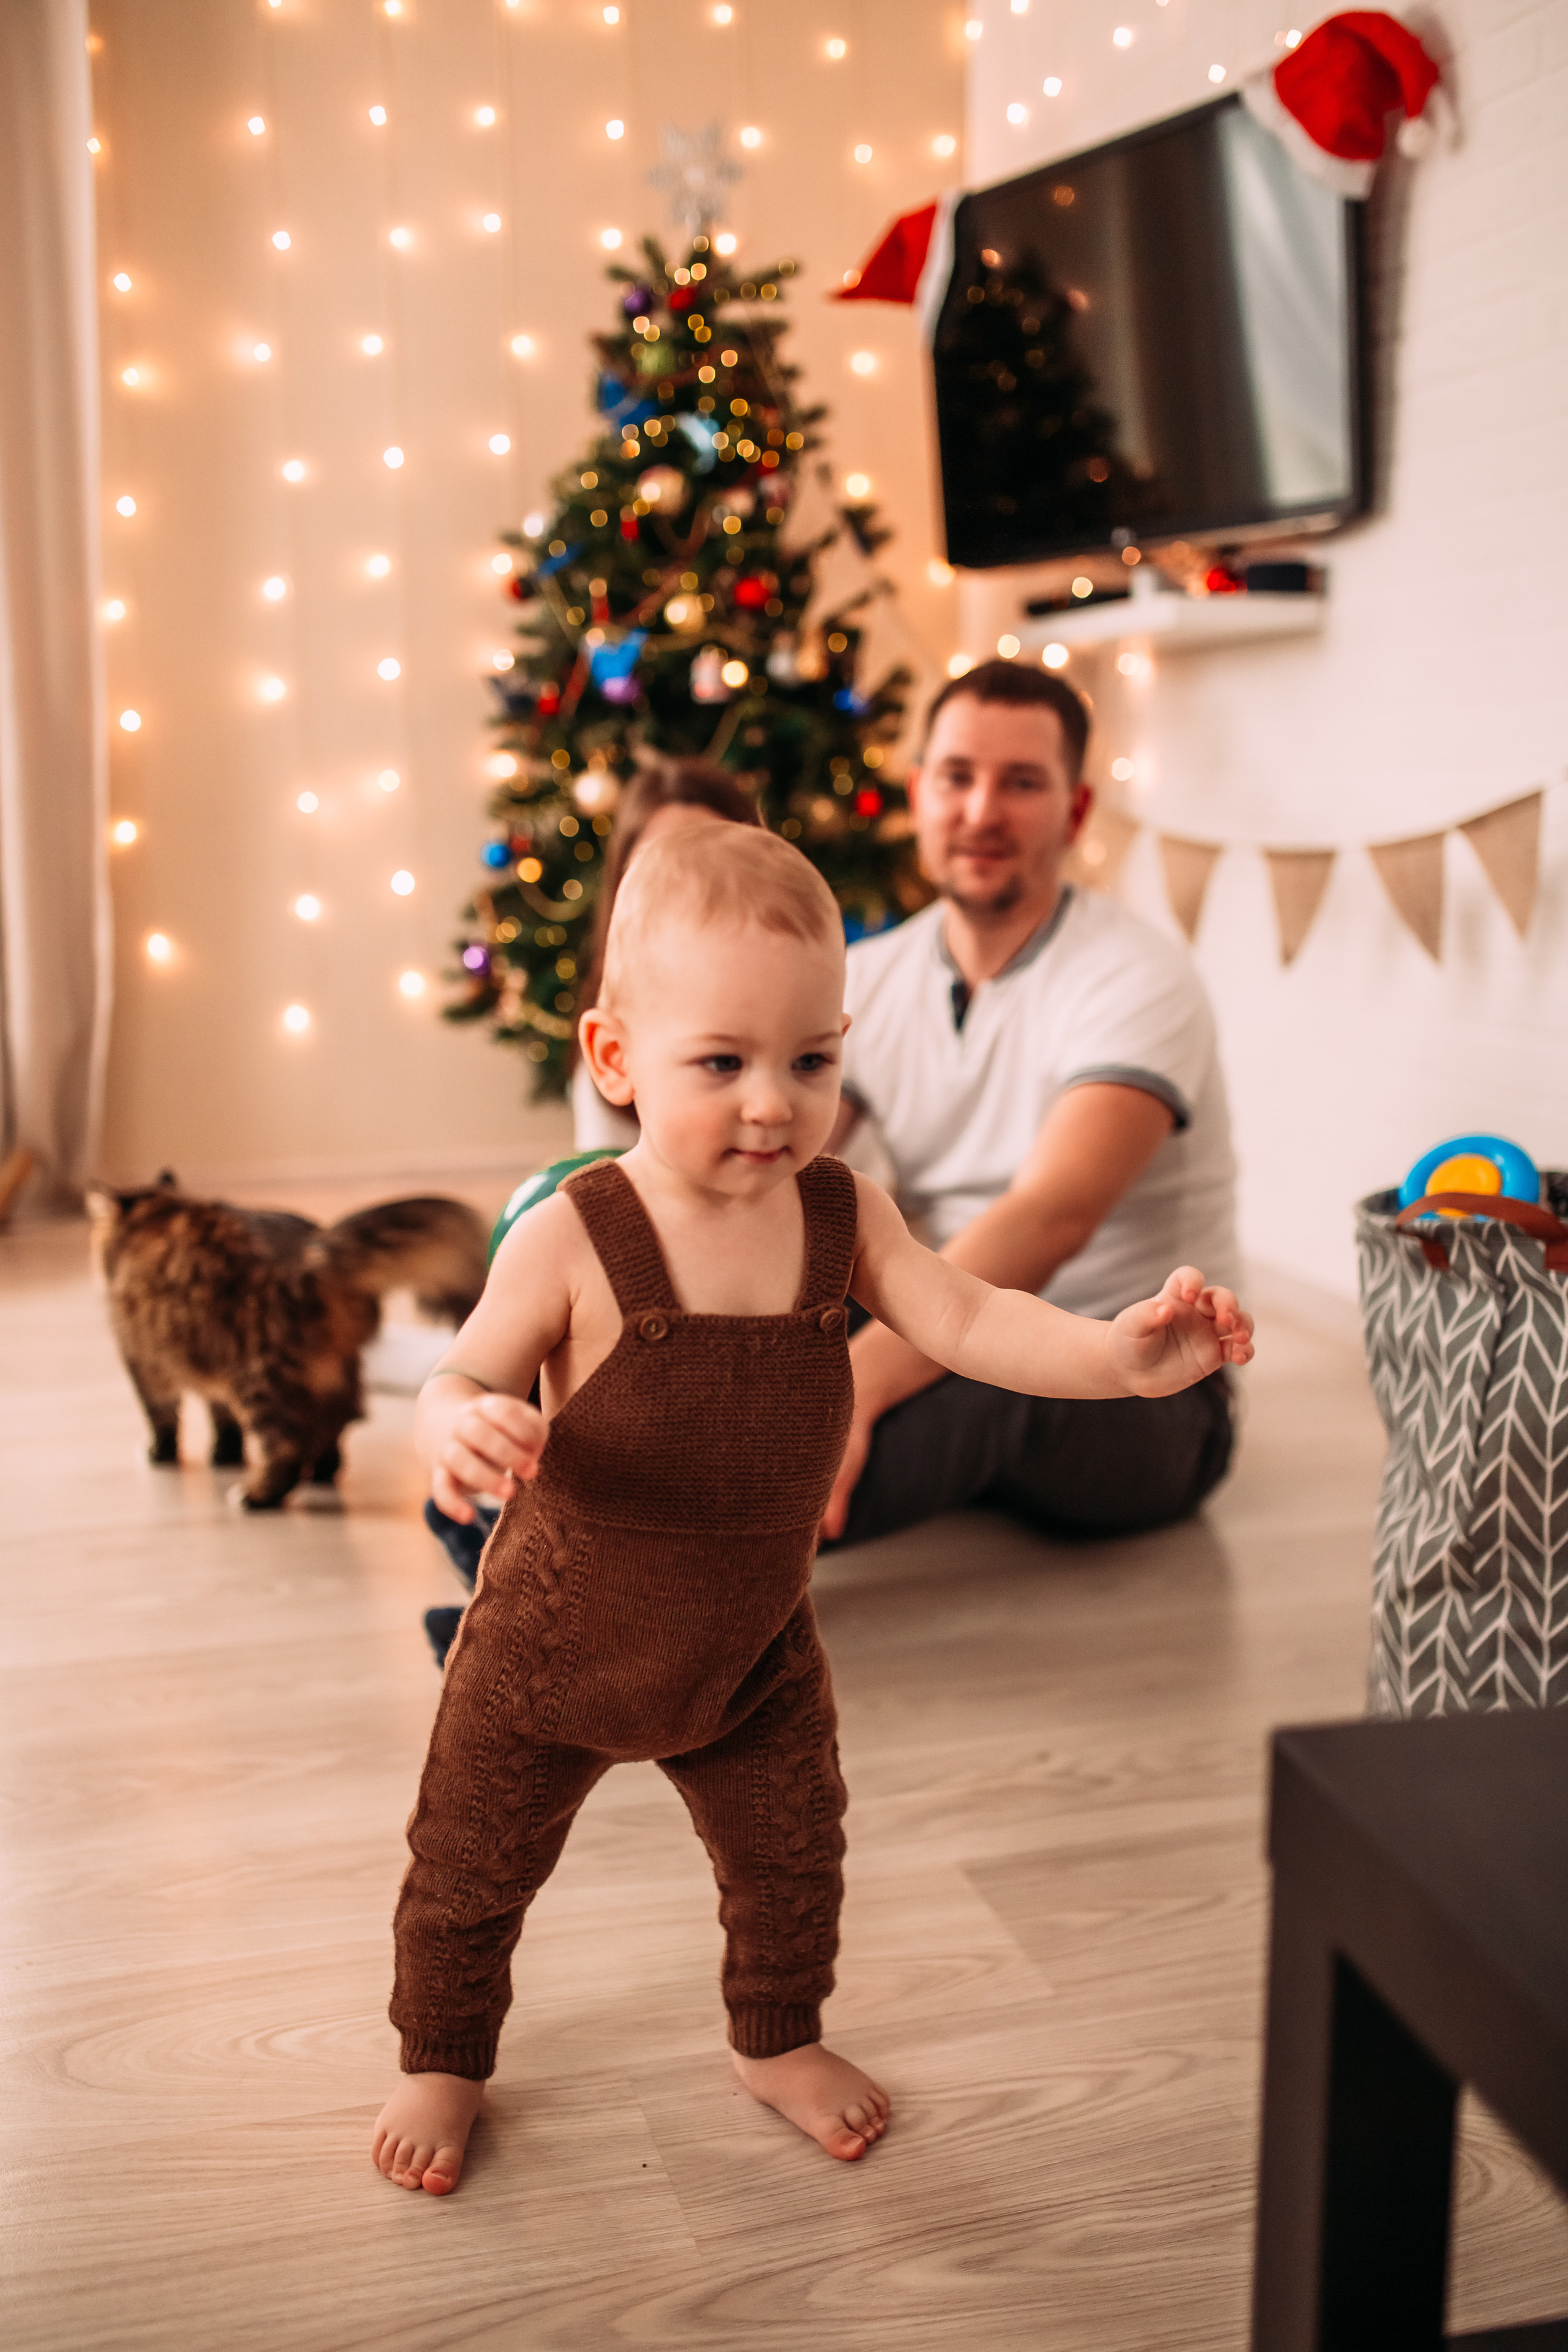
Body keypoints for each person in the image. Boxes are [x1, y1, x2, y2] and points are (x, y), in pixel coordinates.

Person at [372, 823, 1254, 2196]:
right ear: (614, 1060)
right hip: (550, 1650)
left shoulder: (844, 1216)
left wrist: (1118, 1361)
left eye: (810, 1060)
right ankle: (444, 2054)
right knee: (469, 1866)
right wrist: (455, 1423)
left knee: (793, 1859)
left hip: (750, 1650)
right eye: (719, 1063)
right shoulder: (573, 1231)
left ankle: (773, 2039)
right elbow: (466, 1368)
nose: (771, 1104)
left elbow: (969, 1318)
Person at [822, 658, 1242, 1547]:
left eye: (1021, 783)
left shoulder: (1136, 976)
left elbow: (1051, 1217)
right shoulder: (870, 974)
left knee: (980, 1385)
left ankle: (633, 1578)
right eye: (958, 778)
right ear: (917, 793)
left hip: (1145, 1382)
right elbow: (775, 1168)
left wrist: (856, 1383)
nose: (981, 812)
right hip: (952, 1321)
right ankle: (551, 1508)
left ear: (1076, 812)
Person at [420, 758, 759, 1642]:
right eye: (661, 869)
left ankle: (553, 1594)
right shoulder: (616, 1046)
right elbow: (616, 1203)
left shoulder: (792, 1024)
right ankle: (515, 1568)